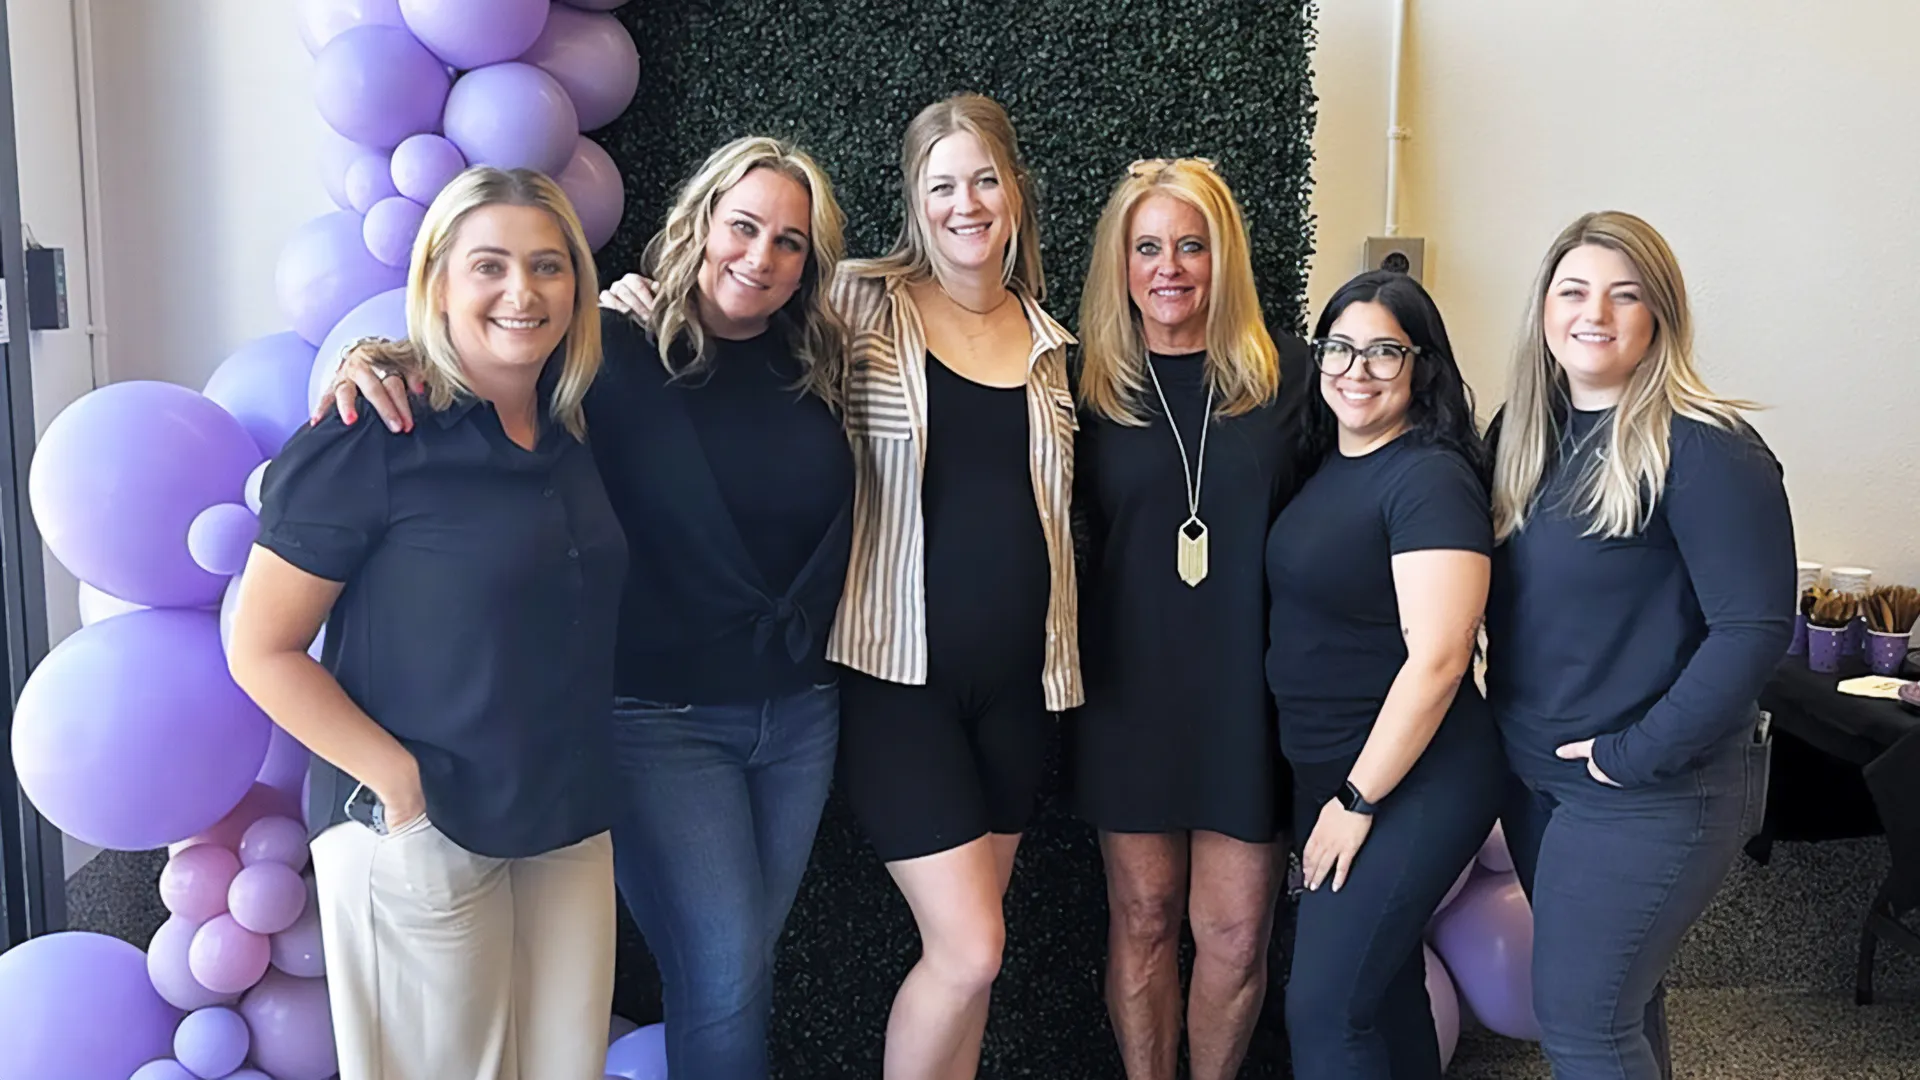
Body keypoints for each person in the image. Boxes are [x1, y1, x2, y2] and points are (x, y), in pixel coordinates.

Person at [318, 136, 856, 1080]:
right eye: (743, 226)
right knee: (726, 974)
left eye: (789, 242)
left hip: (801, 713)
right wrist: (376, 353)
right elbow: (481, 350)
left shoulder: (818, 362)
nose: (760, 257)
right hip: (661, 721)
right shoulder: (610, 349)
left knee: (737, 969)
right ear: (698, 224)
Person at [228, 166, 624, 1080]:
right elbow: (261, 649)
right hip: (421, 829)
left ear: (577, 286)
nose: (522, 292)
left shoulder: (569, 434)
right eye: (488, 265)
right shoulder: (369, 433)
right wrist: (401, 791)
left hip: (563, 817)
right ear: (437, 282)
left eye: (548, 265)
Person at [1486, 211, 1793, 1080]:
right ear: (1545, 307)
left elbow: (1753, 631)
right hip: (1540, 782)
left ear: (1661, 315)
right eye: (1574, 290)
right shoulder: (1524, 431)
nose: (1597, 313)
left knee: (1583, 1027)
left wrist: (1632, 755)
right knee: (1619, 1009)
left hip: (1649, 790)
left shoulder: (1707, 447)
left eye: (1627, 296)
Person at [829, 92, 1078, 1080]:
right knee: (970, 946)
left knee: (978, 961)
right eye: (943, 185)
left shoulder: (1055, 342)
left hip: (1022, 692)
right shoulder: (858, 301)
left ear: (1014, 191)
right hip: (900, 685)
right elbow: (719, 311)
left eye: (984, 178)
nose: (966, 203)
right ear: (915, 200)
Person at [1071, 156, 1301, 1080]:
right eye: (1149, 247)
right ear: (1120, 265)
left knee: (1237, 936)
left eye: (1193, 245)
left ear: (1225, 257)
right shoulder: (1080, 391)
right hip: (1128, 694)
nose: (1171, 268)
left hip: (1249, 701)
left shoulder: (1292, 383)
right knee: (1144, 919)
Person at [1267, 270, 1504, 1078]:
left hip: (1411, 780)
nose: (1354, 369)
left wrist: (1357, 799)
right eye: (1339, 347)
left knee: (1326, 1011)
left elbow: (1439, 658)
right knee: (1387, 989)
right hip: (1337, 774)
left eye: (1383, 352)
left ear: (1421, 367)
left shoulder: (1428, 477)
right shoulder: (1331, 464)